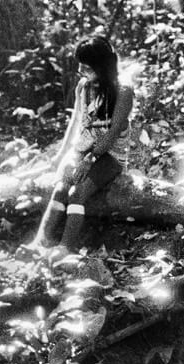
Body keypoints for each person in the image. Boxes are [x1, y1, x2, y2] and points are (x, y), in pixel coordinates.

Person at [34, 35, 135, 248]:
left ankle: (65, 248)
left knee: (77, 193)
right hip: (84, 148)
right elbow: (76, 123)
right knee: (61, 188)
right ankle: (40, 241)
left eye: (87, 68)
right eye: (80, 67)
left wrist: (89, 160)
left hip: (110, 155)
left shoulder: (123, 90)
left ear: (103, 67)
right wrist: (63, 155)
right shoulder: (84, 86)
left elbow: (114, 131)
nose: (82, 72)